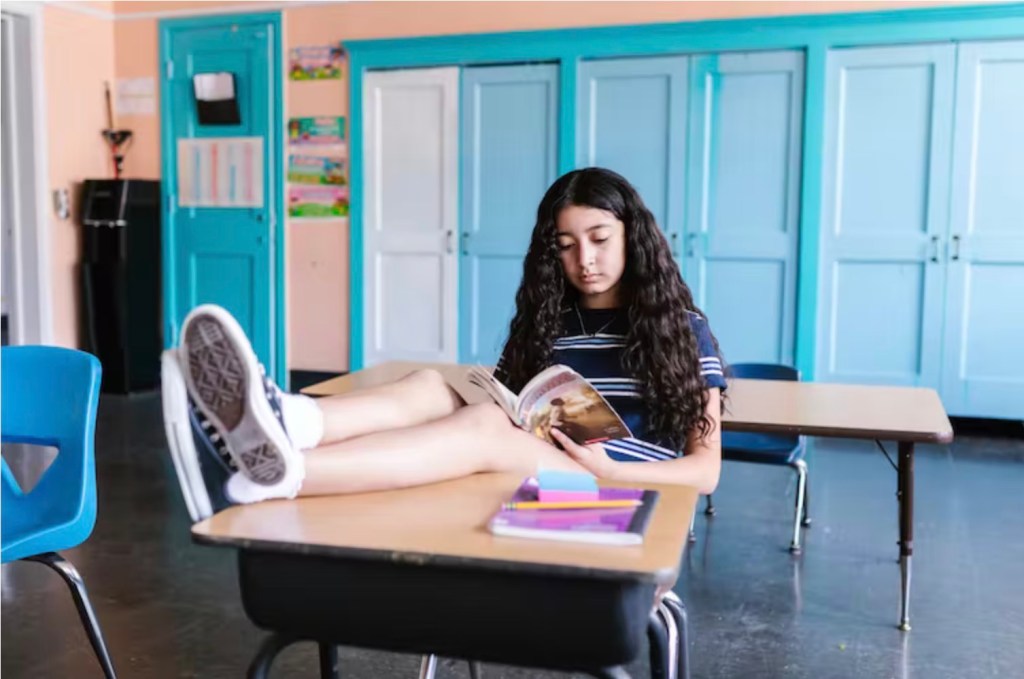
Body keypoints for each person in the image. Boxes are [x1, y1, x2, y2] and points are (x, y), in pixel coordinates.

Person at [162, 167, 726, 523]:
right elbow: (511, 409)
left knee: (481, 429)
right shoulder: (551, 320)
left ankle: (278, 476)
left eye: (600, 239)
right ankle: (294, 420)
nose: (586, 260)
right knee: (434, 386)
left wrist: (611, 470)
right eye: (567, 246)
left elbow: (706, 472)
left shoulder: (680, 326)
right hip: (548, 461)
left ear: (634, 238)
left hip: (620, 485)